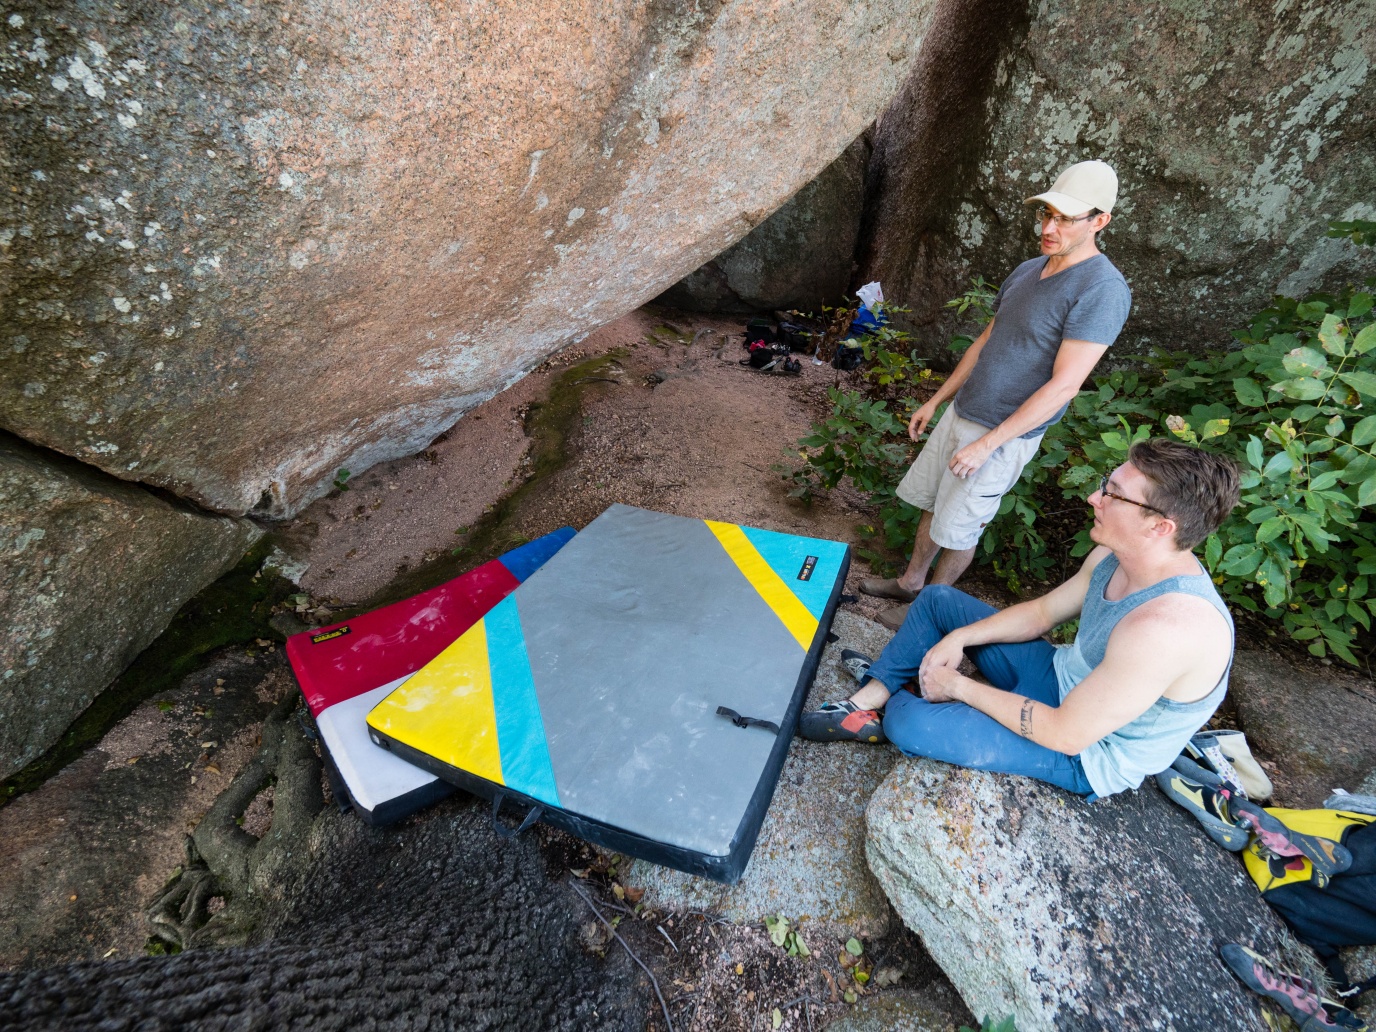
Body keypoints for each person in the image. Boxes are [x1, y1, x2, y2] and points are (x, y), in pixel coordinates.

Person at [801, 439, 1241, 801]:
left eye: (1113, 493)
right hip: (1058, 677)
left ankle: (900, 694)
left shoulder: (1169, 629)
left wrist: (957, 687)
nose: (1095, 497)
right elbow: (1043, 613)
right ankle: (868, 700)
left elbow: (1066, 733)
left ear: (1160, 527)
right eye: (1106, 484)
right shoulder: (1113, 552)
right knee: (938, 600)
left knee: (909, 723)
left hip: (1085, 749)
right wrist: (960, 636)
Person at [861, 159, 1133, 631]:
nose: (1049, 228)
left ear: (1100, 221)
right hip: (964, 412)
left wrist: (988, 443)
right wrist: (938, 400)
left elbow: (1066, 385)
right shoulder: (1030, 269)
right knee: (932, 504)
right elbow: (986, 341)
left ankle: (929, 611)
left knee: (961, 524)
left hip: (1004, 433)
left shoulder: (1102, 289)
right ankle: (910, 583)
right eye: (1046, 214)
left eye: (1066, 219)